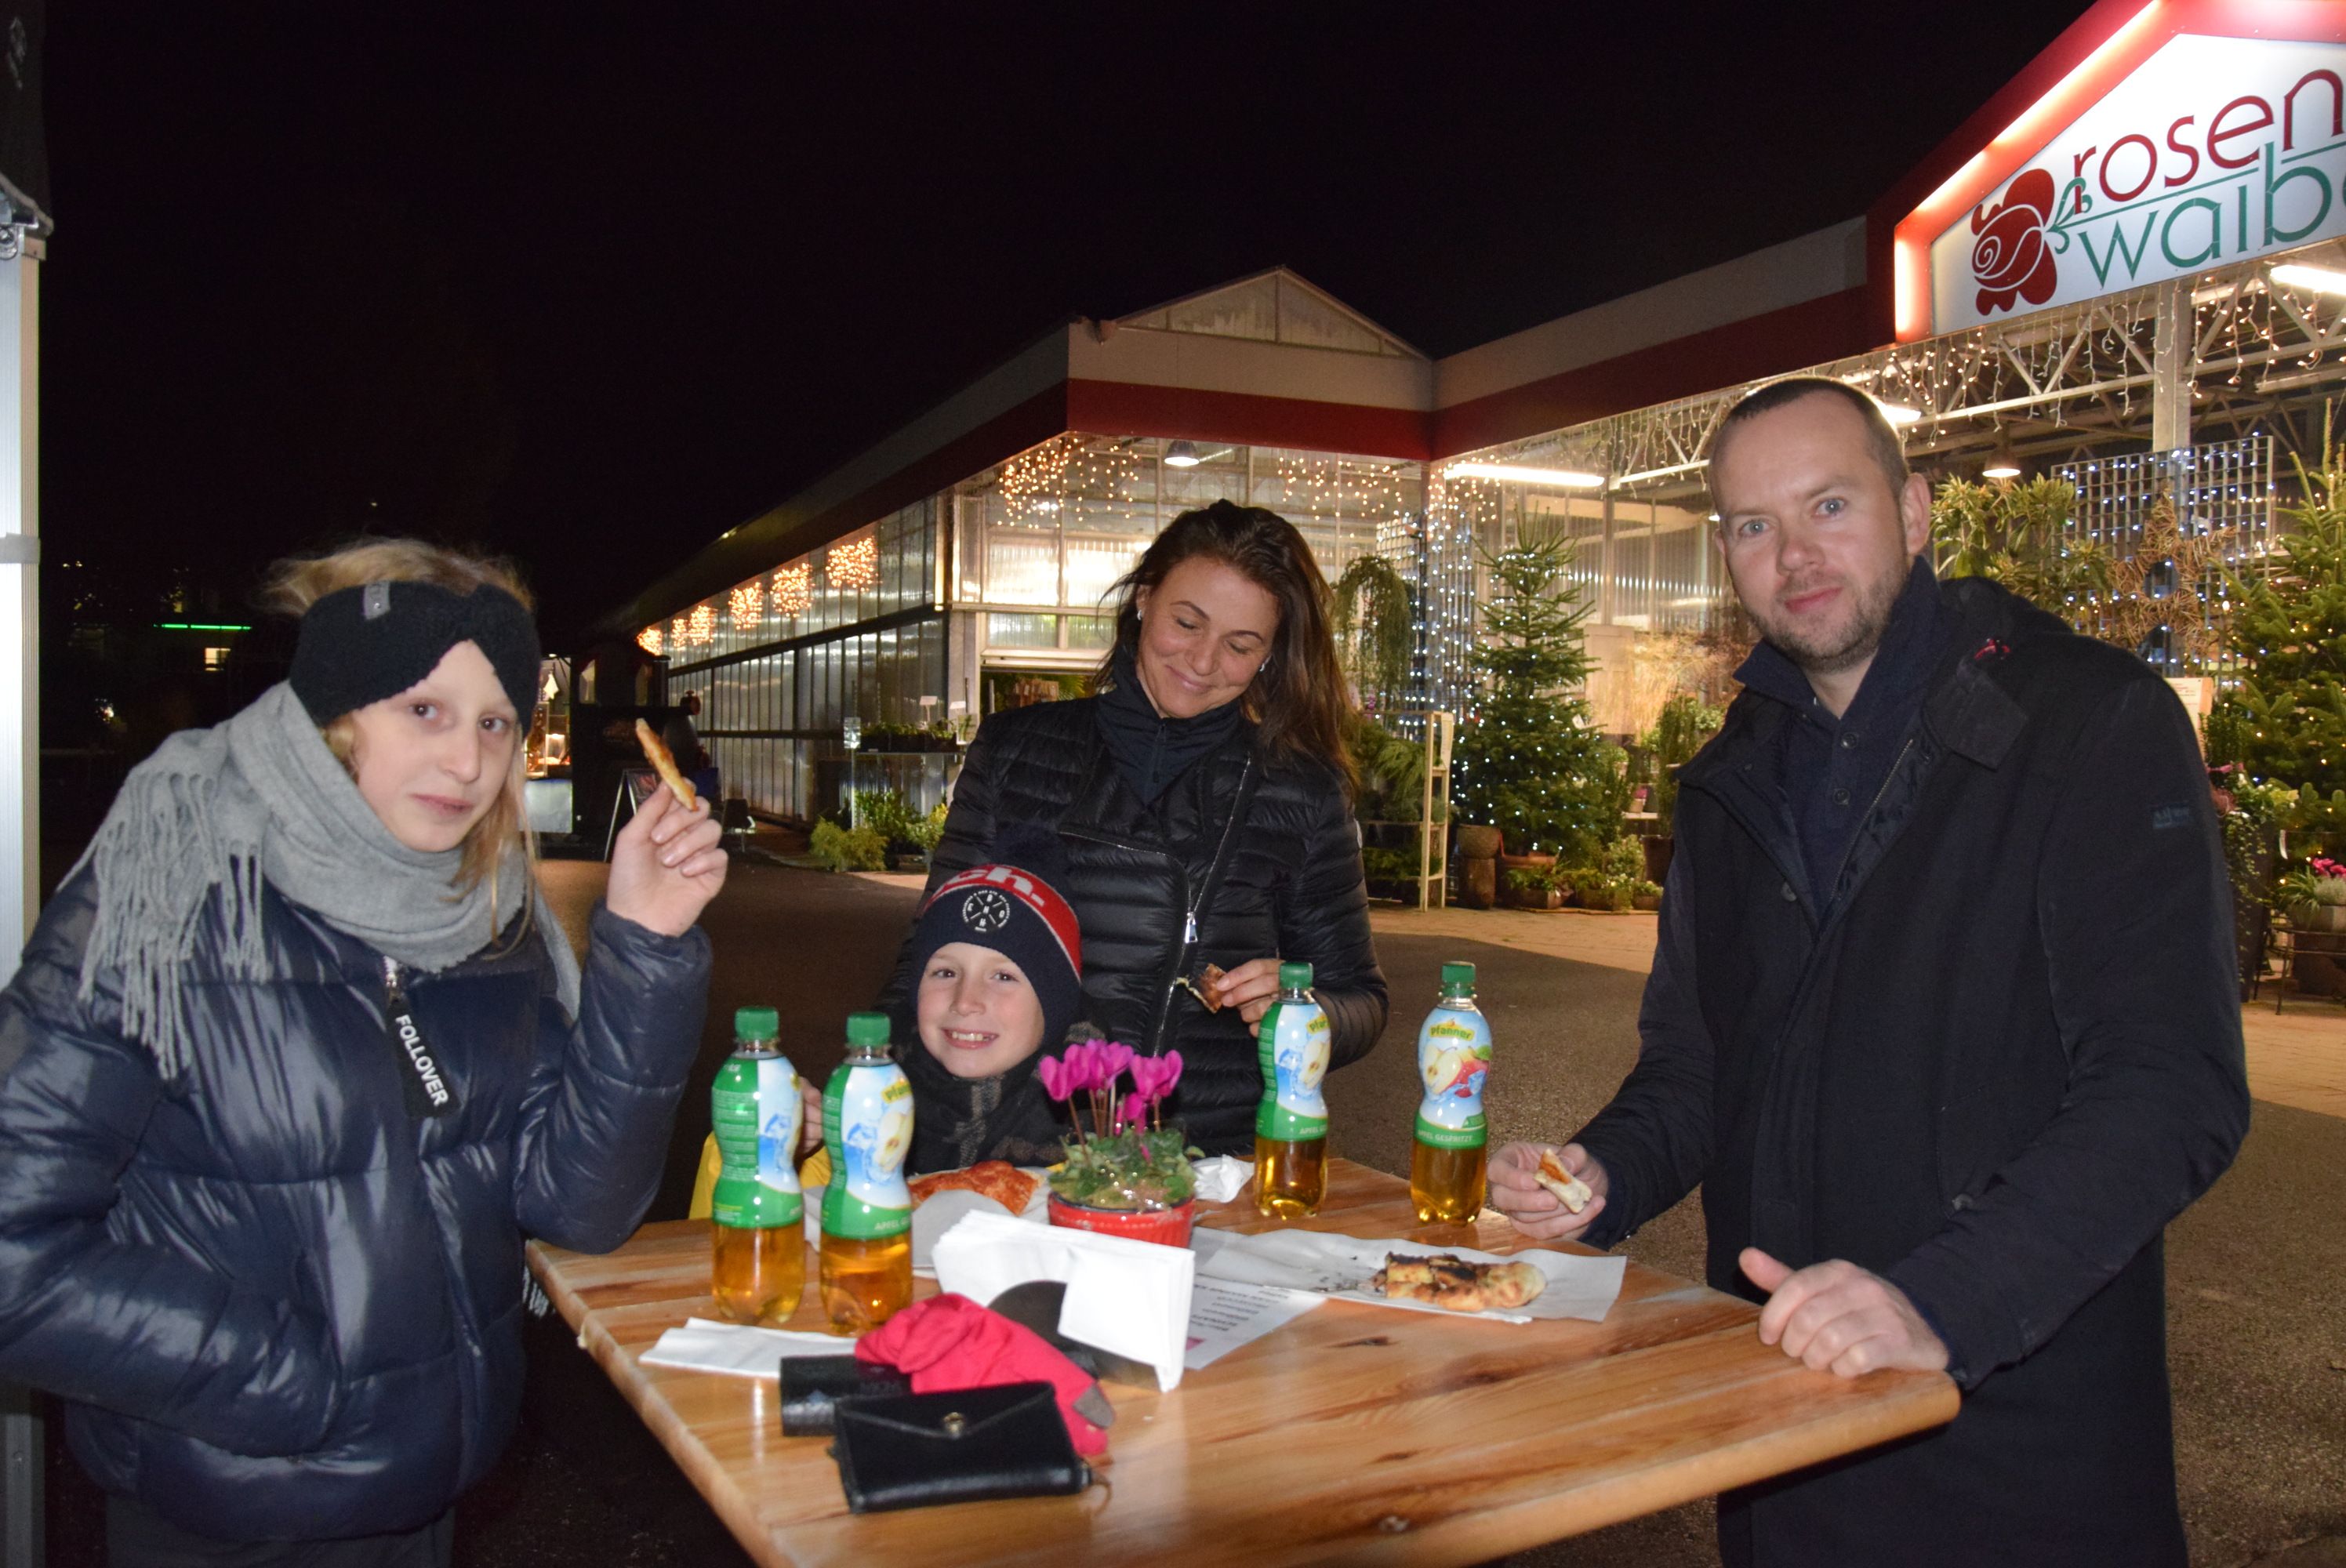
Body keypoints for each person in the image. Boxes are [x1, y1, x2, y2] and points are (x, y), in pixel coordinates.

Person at [1487, 378, 2249, 1566]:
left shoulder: (2087, 724)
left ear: (1916, 511)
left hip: (2010, 1435)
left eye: (1829, 504)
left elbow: (2168, 1087)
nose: (1794, 554)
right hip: (1783, 1430)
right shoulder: (1730, 780)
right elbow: (1697, 1066)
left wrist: (1941, 1301)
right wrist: (1600, 1173)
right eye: (1754, 524)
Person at [0, 539, 728, 1565]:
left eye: (495, 722)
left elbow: (577, 1204)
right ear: (338, 713)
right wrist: (288, 1384)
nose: (468, 761)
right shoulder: (170, 888)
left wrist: (645, 945)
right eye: (425, 709)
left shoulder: (490, 921)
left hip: (425, 1503)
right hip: (229, 1511)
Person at [880, 499, 1386, 1155]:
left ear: (1270, 655)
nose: (1202, 661)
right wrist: (870, 1088)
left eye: (1240, 645)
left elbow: (1361, 998)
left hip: (1210, 1158)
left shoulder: (1303, 790)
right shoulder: (1015, 750)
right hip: (1023, 1149)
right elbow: (928, 955)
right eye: (1187, 623)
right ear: (1144, 599)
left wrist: (1308, 1011)